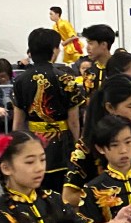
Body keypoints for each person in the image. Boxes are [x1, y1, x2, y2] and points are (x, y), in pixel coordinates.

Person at [13, 28, 87, 193]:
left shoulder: (20, 80)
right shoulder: (65, 79)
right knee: (61, 189)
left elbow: (17, 122)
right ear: (54, 50)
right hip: (62, 144)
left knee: (36, 188)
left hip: (32, 142)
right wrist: (78, 144)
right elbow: (74, 121)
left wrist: (15, 147)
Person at [63, 75, 131, 208]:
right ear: (110, 107)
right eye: (130, 107)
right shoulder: (87, 147)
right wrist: (104, 198)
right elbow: (68, 196)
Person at [79, 24, 115, 98]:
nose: (87, 48)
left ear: (104, 45)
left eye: (90, 43)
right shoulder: (89, 73)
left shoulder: (120, 70)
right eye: (87, 43)